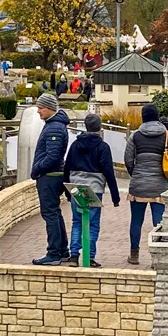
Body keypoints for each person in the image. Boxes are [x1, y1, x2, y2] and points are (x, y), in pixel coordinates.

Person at [62, 110, 120, 265]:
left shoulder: (75, 145)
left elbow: (67, 167)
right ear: (100, 128)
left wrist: (67, 192)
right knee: (93, 224)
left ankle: (74, 255)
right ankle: (89, 257)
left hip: (76, 188)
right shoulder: (103, 147)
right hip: (94, 189)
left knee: (77, 221)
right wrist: (115, 196)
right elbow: (109, 172)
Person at [124, 102, 168, 265]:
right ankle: (157, 258)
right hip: (160, 185)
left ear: (143, 117)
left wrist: (136, 174)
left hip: (139, 185)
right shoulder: (167, 135)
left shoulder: (135, 136)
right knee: (158, 222)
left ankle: (134, 255)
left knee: (136, 221)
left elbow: (128, 159)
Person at [28, 93, 72, 265]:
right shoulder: (54, 125)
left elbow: (53, 156)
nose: (38, 111)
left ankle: (53, 253)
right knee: (55, 213)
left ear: (49, 108)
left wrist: (38, 169)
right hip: (54, 175)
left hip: (50, 176)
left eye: (41, 108)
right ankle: (62, 250)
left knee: (50, 214)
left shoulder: (54, 128)